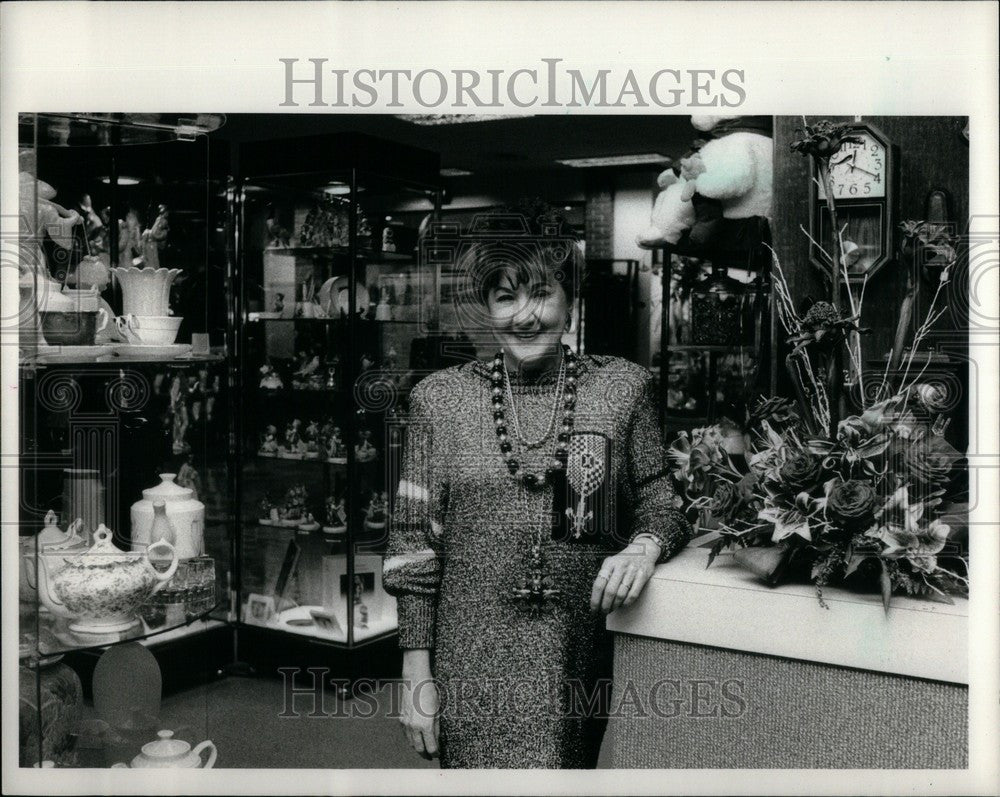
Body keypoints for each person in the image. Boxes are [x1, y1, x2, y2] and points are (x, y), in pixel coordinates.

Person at [383, 202, 691, 768]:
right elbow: (411, 546)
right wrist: (414, 670)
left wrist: (643, 549)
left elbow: (662, 506)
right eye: (506, 297)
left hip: (575, 652)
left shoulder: (622, 390)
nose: (525, 316)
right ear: (486, 309)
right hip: (468, 655)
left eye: (542, 293)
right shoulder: (439, 401)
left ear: (571, 301)